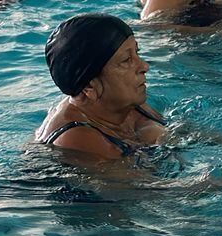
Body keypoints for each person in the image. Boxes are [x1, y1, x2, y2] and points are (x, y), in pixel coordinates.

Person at [34, 14, 165, 160]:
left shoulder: (128, 105)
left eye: (137, 53)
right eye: (126, 60)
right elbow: (143, 182)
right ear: (90, 86)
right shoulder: (77, 139)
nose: (144, 66)